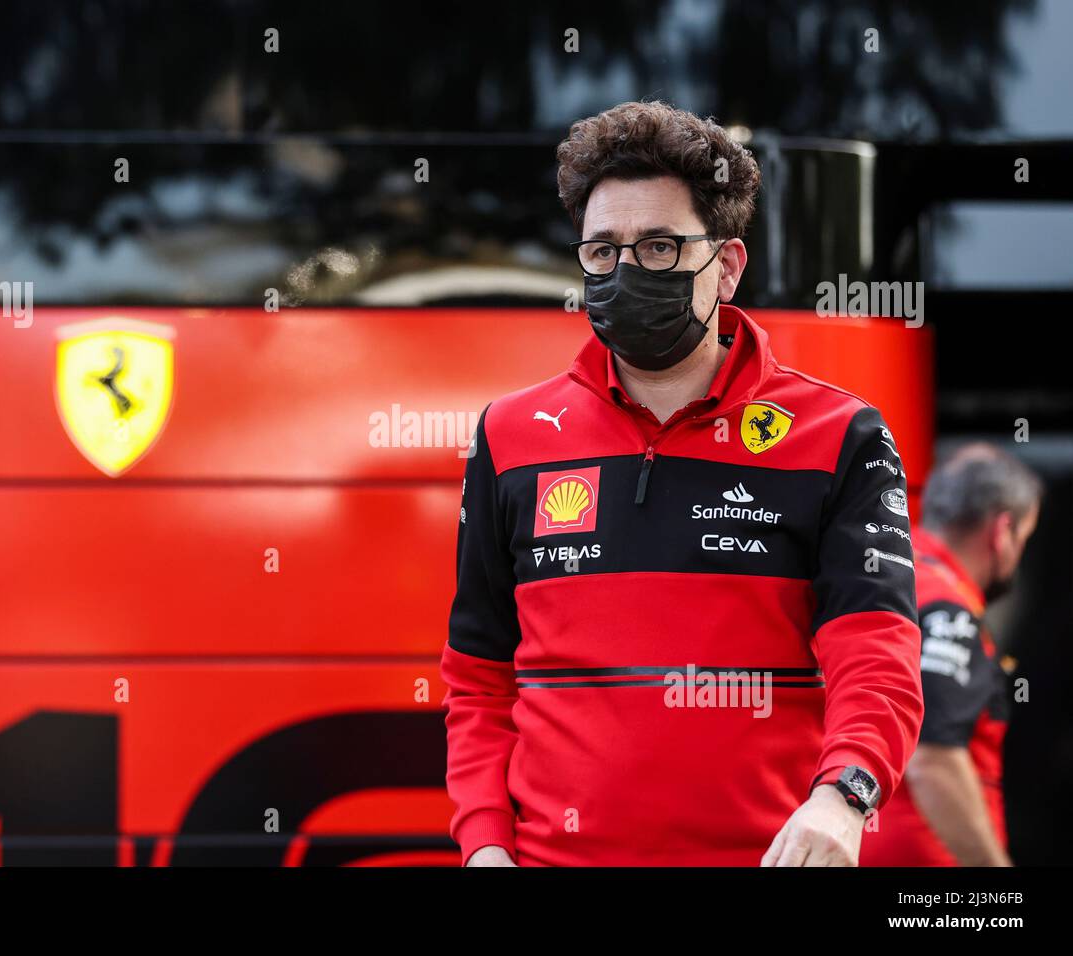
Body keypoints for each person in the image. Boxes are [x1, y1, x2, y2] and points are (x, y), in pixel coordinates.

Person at [441, 100, 924, 866]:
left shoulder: (841, 437)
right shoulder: (510, 435)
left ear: (726, 266)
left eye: (661, 248)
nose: (627, 272)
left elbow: (876, 651)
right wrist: (483, 846)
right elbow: (478, 675)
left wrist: (845, 798)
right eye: (603, 251)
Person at [861, 444, 1041, 866]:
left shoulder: (882, 579)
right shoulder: (947, 610)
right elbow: (934, 757)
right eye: (1024, 538)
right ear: (1002, 532)